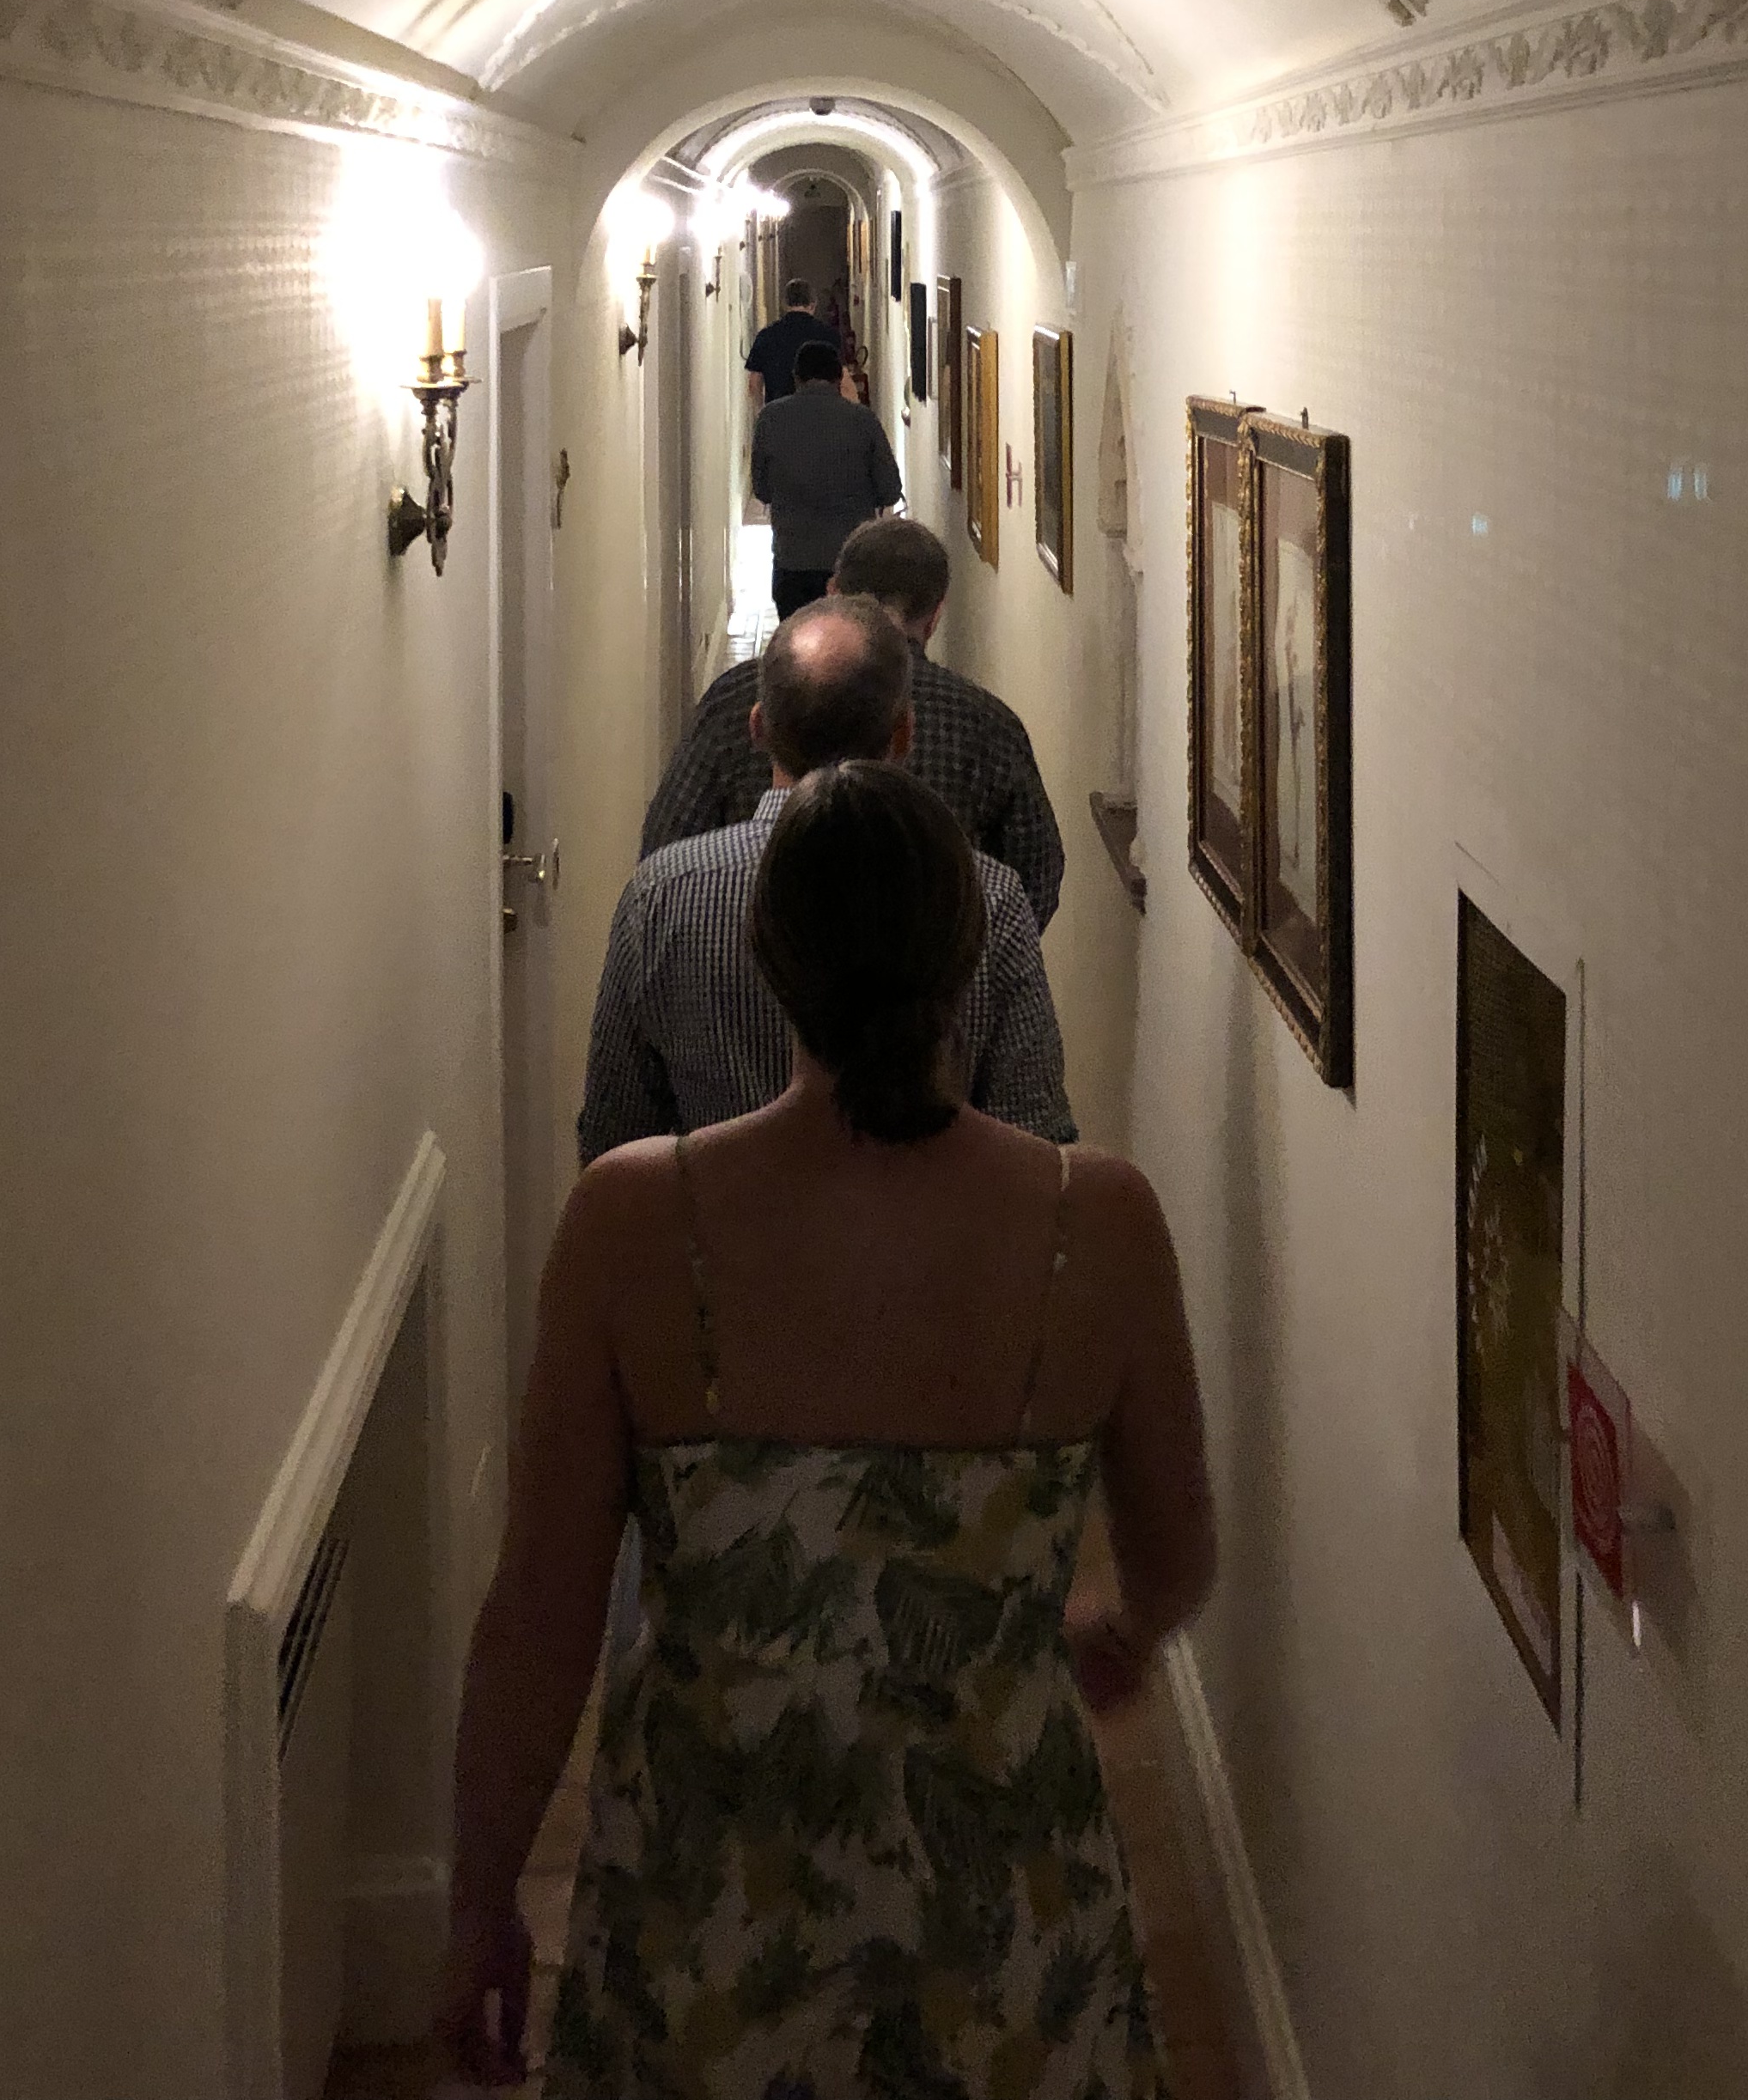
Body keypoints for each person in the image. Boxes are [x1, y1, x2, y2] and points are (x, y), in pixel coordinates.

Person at [438, 764, 1217, 2095]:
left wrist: (478, 1904)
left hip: (710, 1901)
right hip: (1003, 1907)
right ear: (966, 961)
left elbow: (539, 1619)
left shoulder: (633, 1221)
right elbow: (1177, 1559)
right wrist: (1118, 1636)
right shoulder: (1100, 1224)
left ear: (770, 958)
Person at [580, 595, 1075, 1159]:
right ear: (903, 733)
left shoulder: (662, 897)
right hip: (936, 1216)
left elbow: (614, 1135)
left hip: (722, 1214)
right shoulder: (989, 898)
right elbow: (1035, 1134)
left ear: (759, 727)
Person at [644, 513, 1067, 927]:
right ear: (935, 616)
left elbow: (670, 834)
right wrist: (968, 951)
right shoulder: (987, 724)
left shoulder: (737, 696)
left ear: (832, 590)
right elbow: (1035, 875)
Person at [752, 338, 902, 620]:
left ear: (796, 378)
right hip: (851, 563)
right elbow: (890, 490)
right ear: (838, 378)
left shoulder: (770, 419)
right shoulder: (863, 420)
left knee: (798, 639)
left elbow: (762, 490)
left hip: (792, 560)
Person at [742, 275, 837, 416]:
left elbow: (754, 383)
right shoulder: (828, 336)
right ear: (813, 304)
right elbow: (843, 383)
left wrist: (762, 412)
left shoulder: (766, 336)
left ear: (784, 304)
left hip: (779, 416)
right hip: (820, 416)